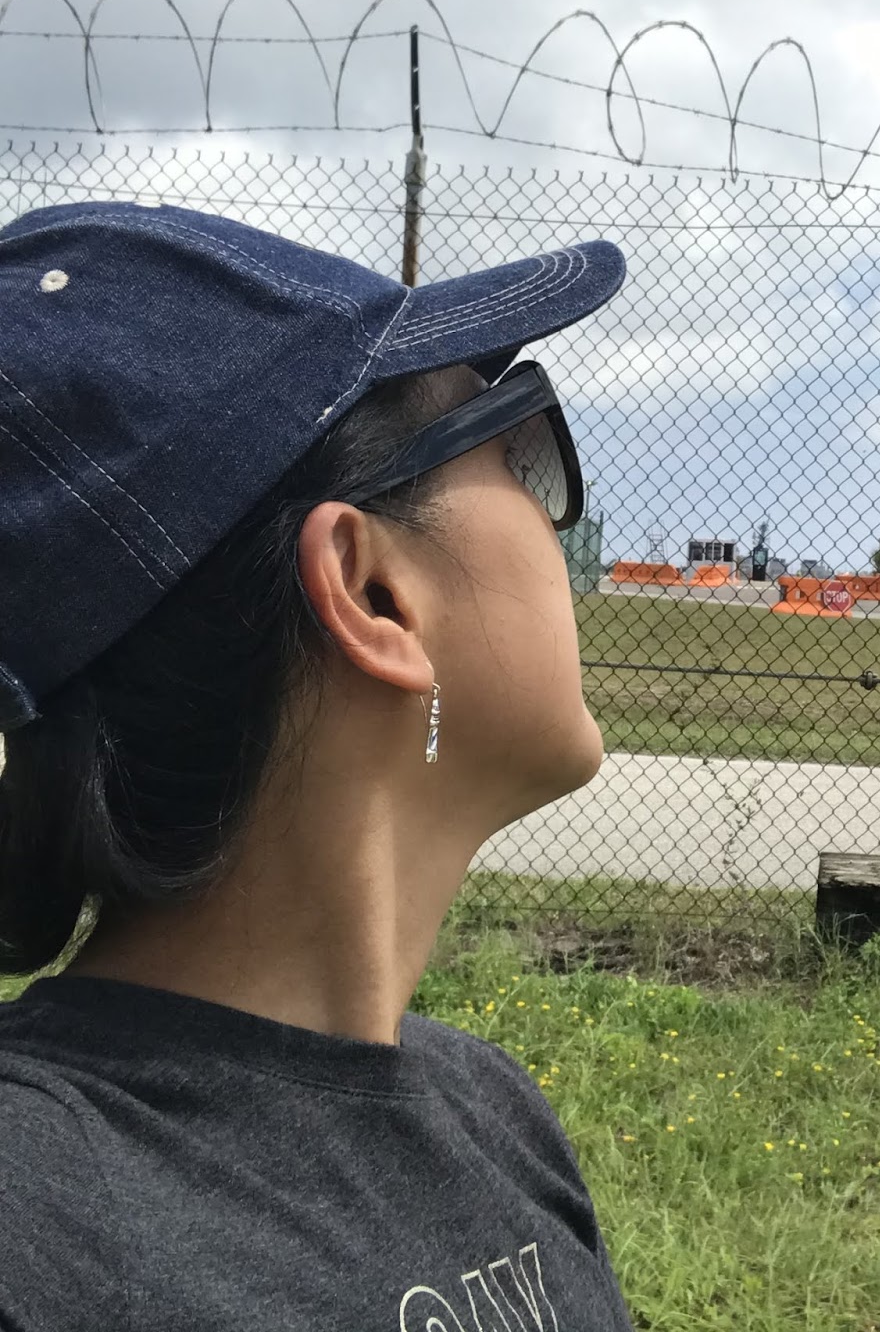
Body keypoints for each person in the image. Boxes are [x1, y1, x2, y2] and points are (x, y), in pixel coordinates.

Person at [0, 202, 636, 1330]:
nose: (555, 519)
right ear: (372, 589)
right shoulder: (35, 1227)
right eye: (522, 446)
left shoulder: (493, 1112)